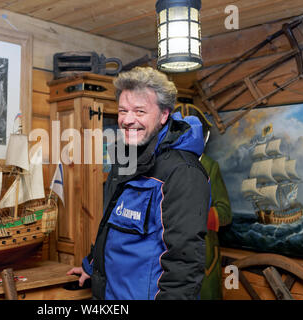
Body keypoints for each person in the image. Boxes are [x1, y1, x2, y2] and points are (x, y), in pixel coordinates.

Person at [67, 67, 211, 299]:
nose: (128, 120)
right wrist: (91, 265)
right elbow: (112, 228)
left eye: (140, 111)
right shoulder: (127, 160)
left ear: (164, 115)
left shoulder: (183, 172)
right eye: (123, 110)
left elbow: (184, 264)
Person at [173, 103, 232, 300]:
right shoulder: (161, 164)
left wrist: (193, 215)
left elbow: (224, 213)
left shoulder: (209, 166)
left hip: (203, 255)